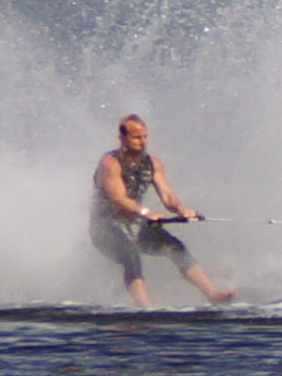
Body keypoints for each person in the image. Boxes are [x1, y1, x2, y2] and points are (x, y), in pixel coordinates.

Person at [90, 114, 237, 307]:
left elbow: (167, 196)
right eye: (136, 137)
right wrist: (146, 213)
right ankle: (146, 308)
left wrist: (181, 210)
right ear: (123, 138)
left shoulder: (153, 164)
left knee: (175, 247)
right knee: (130, 256)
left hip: (135, 225)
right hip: (105, 229)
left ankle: (211, 293)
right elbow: (119, 199)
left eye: (145, 137)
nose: (142, 142)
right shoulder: (110, 163)